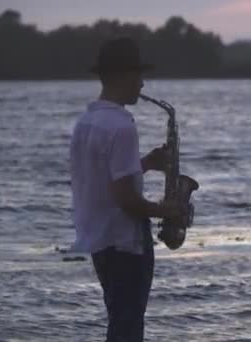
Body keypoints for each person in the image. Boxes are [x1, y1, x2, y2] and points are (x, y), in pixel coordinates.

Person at [69, 37, 185, 342]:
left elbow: (102, 181)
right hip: (126, 243)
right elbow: (125, 200)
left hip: (100, 241)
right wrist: (167, 210)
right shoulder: (121, 126)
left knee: (119, 322)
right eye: (138, 75)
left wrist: (144, 163)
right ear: (122, 76)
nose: (142, 84)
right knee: (128, 329)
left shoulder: (86, 122)